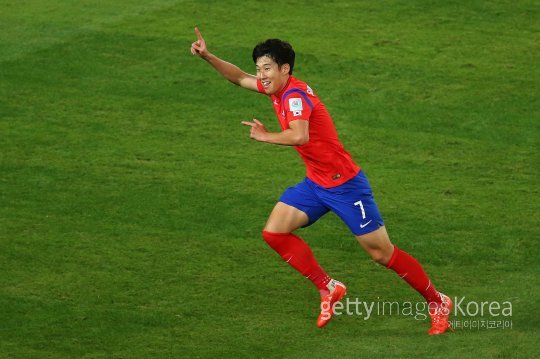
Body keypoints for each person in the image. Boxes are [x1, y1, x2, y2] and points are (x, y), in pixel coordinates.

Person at [190, 27, 452, 334]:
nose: (260, 75)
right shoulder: (275, 88)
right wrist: (207, 56)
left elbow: (300, 135)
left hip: (346, 186)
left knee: (381, 253)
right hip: (316, 184)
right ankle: (328, 287)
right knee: (274, 232)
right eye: (259, 68)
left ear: (284, 69)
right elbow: (238, 77)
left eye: (267, 69)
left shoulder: (295, 96)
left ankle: (438, 301)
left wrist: (265, 137)